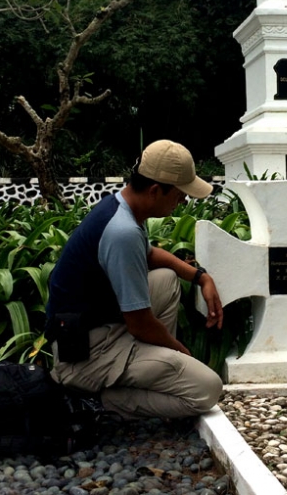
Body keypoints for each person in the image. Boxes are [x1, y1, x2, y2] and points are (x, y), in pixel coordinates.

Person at [46, 139, 224, 419]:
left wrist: (200, 277)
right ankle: (98, 401)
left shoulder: (119, 207)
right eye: (180, 194)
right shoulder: (123, 232)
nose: (183, 201)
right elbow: (140, 324)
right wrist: (180, 353)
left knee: (165, 279)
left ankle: (147, 369)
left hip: (97, 327)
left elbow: (149, 254)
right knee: (206, 389)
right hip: (84, 357)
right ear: (155, 191)